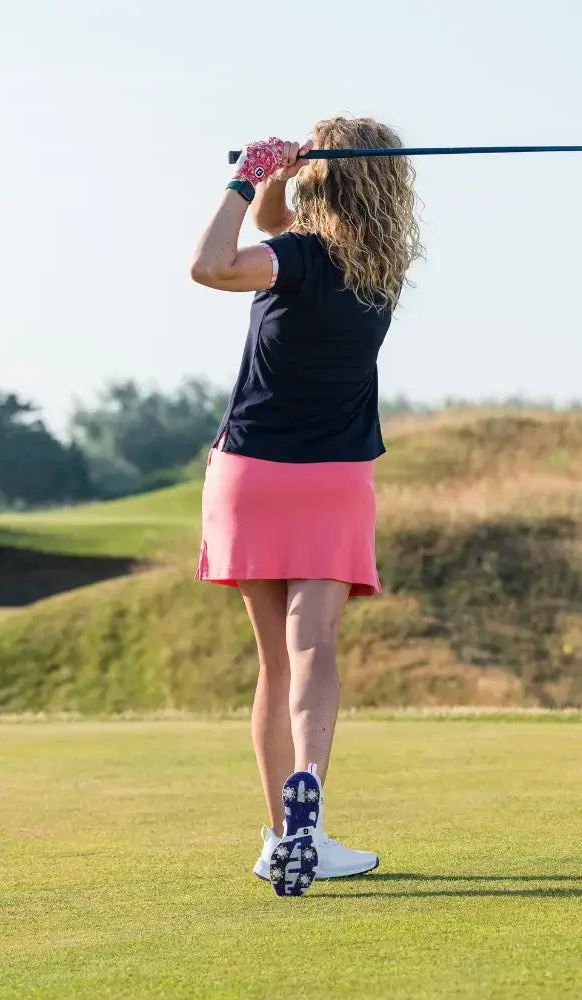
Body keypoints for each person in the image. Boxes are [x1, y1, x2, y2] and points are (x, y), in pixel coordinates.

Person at [189, 118, 423, 897]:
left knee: (272, 663)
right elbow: (279, 229)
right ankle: (308, 816)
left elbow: (209, 265)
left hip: (251, 473)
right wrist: (277, 184)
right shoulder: (381, 271)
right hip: (334, 478)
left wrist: (248, 174)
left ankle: (279, 836)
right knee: (313, 648)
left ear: (323, 177)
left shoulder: (290, 261)